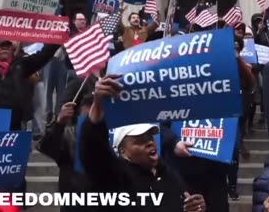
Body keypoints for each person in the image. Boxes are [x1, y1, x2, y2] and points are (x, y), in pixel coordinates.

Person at [79, 75, 207, 212]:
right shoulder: (116, 176)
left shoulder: (169, 174)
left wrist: (197, 207)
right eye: (139, 141)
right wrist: (98, 108)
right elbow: (93, 151)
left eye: (150, 137)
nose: (149, 143)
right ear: (123, 151)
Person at [37, 95, 96, 212]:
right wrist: (59, 124)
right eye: (87, 118)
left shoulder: (114, 136)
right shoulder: (69, 135)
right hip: (74, 200)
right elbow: (46, 147)